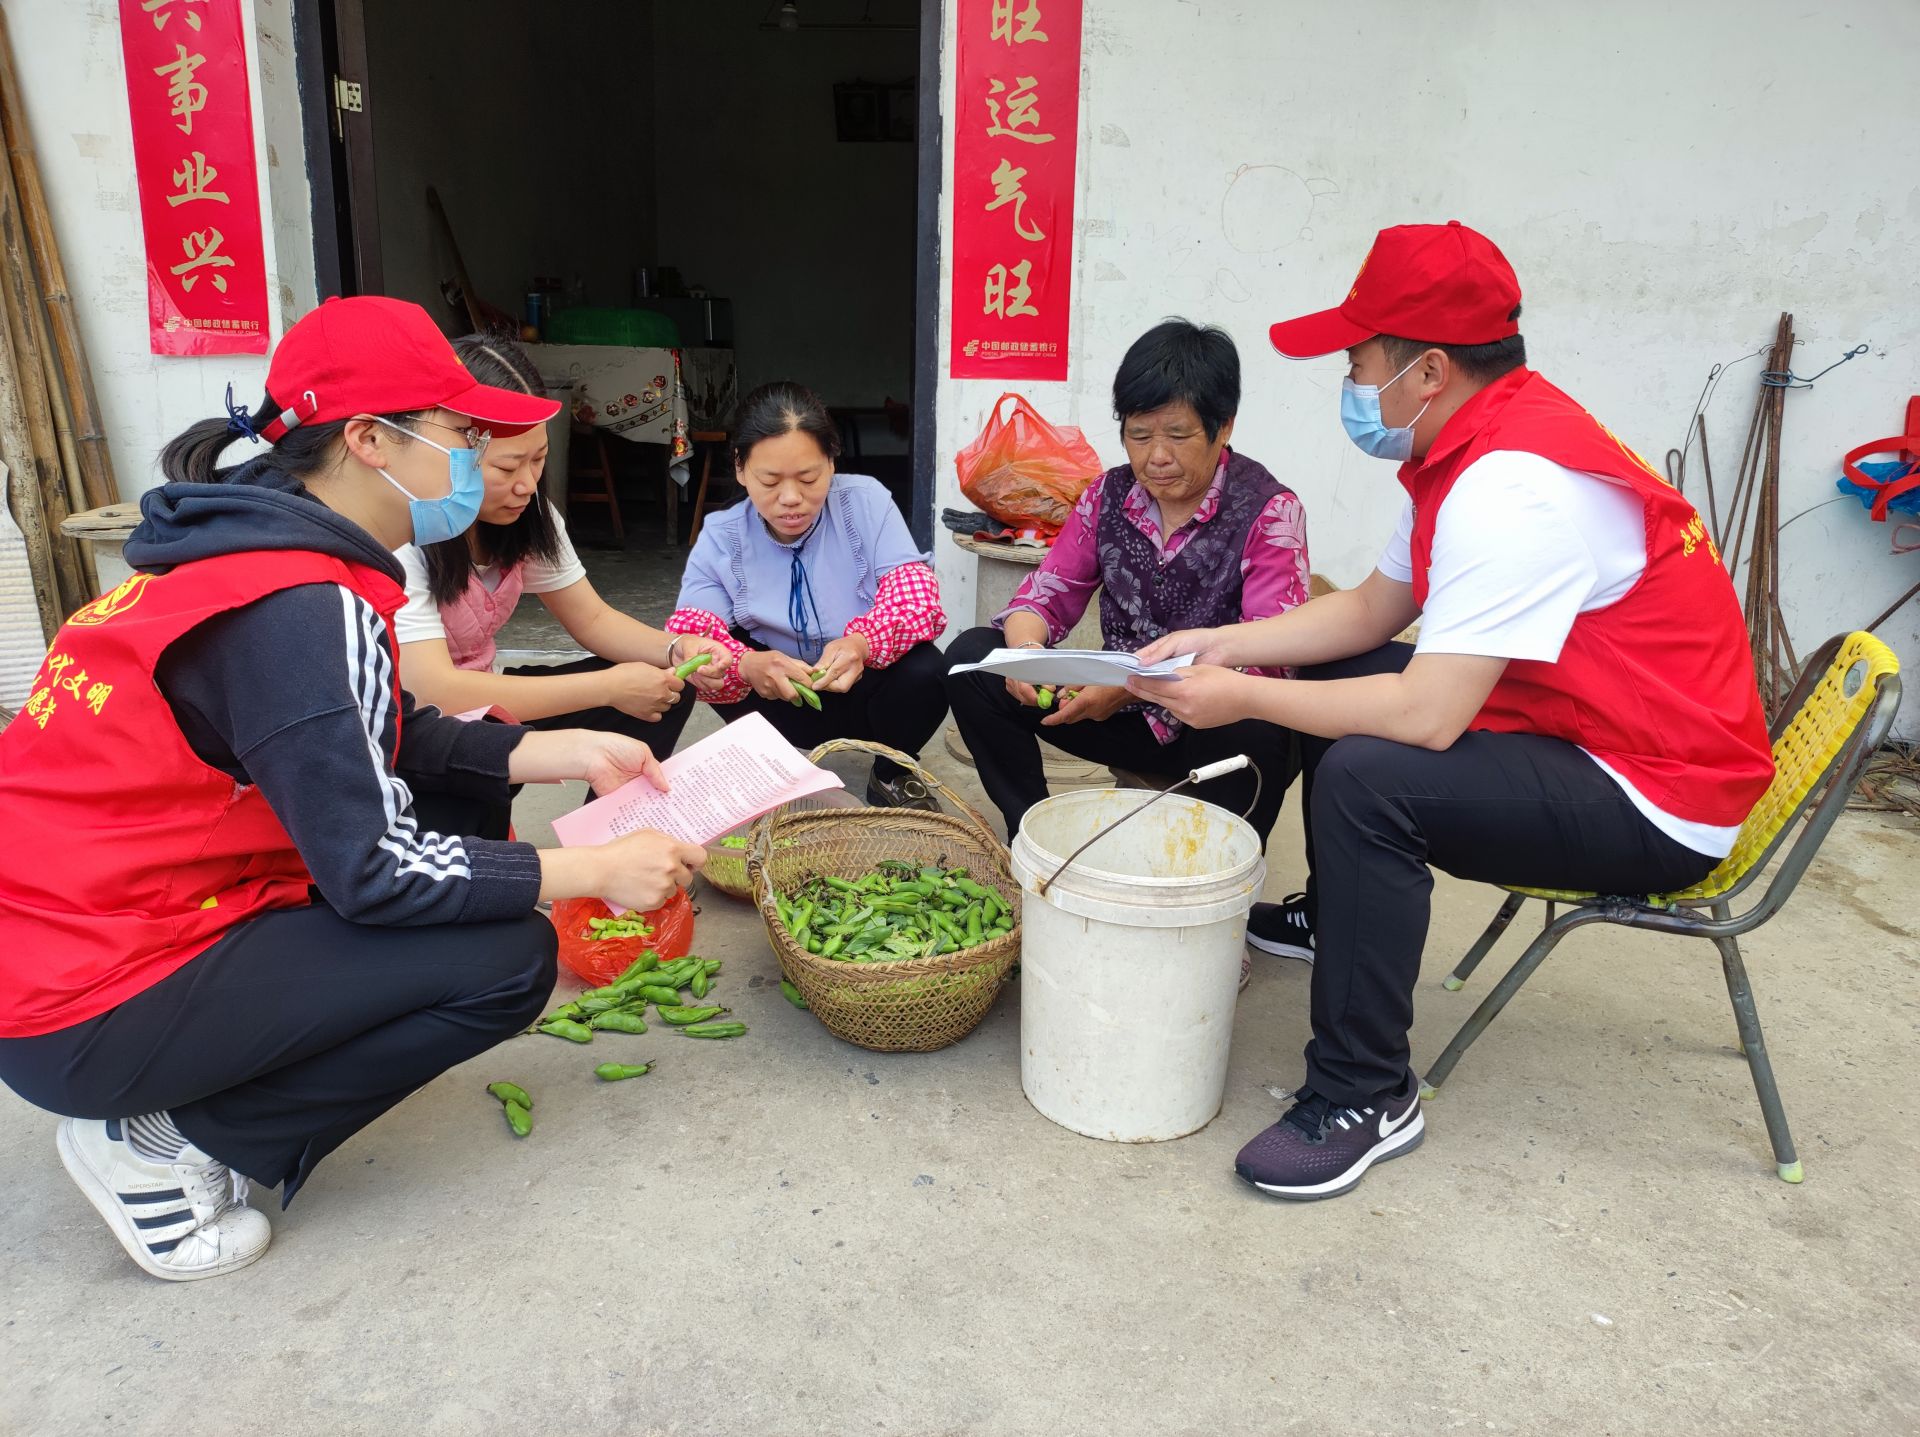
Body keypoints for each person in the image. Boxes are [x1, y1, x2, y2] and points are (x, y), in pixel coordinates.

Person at [0, 297, 708, 1281]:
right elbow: (374, 871)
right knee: (507, 957)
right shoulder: (298, 602)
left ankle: (177, 1096)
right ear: (372, 441)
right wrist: (590, 869)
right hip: (87, 997)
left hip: (74, 941)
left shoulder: (246, 556)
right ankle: (163, 1146)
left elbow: (374, 734)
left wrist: (567, 753)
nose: (478, 462)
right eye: (463, 435)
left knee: (463, 867)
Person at [1130, 222, 1773, 1202]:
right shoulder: (1471, 444)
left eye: (1359, 362)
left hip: (1661, 794)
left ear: (1427, 370)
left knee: (1368, 776)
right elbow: (1371, 611)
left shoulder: (1512, 486)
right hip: (1594, 728)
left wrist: (1240, 696)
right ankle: (1341, 916)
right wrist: (1224, 642)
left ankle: (1364, 1093)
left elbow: (1428, 717)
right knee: (1352, 677)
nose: (1350, 382)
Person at [943, 319, 1309, 863]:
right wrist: (1026, 656)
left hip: (1207, 724)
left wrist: (1136, 688)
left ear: (1224, 426)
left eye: (1178, 435)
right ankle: (1035, 838)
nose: (1156, 456)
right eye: (1139, 435)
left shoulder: (1270, 511)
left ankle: (1215, 879)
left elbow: (1270, 661)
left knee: (1259, 727)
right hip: (1113, 711)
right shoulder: (1108, 495)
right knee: (972, 659)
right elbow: (1044, 594)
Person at [394, 335, 731, 838]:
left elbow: (592, 618)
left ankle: (612, 839)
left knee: (664, 688)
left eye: (538, 460)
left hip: (488, 717)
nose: (527, 484)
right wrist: (607, 688)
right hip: (415, 737)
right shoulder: (401, 531)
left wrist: (675, 648)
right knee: (475, 856)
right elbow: (434, 691)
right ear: (450, 451)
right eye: (507, 467)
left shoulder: (529, 517)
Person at [666, 381, 950, 807]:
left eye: (808, 478)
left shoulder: (867, 502)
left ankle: (891, 773)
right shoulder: (722, 535)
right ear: (740, 468)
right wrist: (747, 665)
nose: (791, 499)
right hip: (777, 696)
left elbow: (917, 599)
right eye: (770, 480)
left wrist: (861, 644)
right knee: (704, 663)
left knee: (928, 670)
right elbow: (692, 632)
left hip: (863, 684)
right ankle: (774, 767)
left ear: (831, 462)